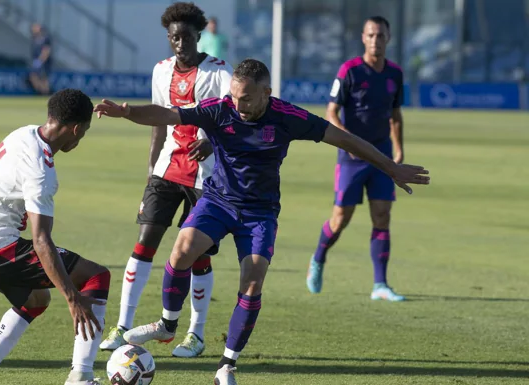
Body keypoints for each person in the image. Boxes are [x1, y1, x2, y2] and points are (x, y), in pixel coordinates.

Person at [93, 58, 430, 384]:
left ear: (267, 92)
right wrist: (127, 112)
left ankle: (227, 365)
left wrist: (391, 167)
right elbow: (168, 113)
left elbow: (342, 138)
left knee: (252, 282)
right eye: (235, 96)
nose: (238, 104)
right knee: (181, 251)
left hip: (259, 212)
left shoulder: (287, 116)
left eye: (247, 98)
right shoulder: (220, 107)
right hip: (218, 201)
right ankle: (168, 325)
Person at [98, 2, 232, 358]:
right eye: (174, 38)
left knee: (197, 255)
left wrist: (210, 139)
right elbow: (158, 120)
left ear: (198, 36)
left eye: (186, 37)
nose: (179, 44)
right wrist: (149, 171)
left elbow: (235, 118)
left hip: (206, 177)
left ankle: (196, 334)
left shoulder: (219, 72)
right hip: (166, 170)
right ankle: (123, 325)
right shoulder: (160, 71)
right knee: (144, 243)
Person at [0, 89, 110, 385]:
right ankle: (81, 375)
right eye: (85, 132)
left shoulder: (24, 133)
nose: (81, 139)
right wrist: (72, 298)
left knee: (37, 298)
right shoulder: (42, 171)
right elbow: (41, 241)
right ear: (76, 129)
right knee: (96, 277)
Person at [307, 16, 408, 301]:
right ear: (363, 37)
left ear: (388, 38)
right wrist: (347, 140)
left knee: (382, 215)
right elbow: (331, 112)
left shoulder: (395, 74)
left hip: (382, 154)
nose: (376, 40)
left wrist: (398, 149)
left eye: (381, 35)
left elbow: (396, 115)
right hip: (352, 157)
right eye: (371, 35)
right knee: (341, 219)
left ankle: (380, 285)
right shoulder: (349, 70)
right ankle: (318, 259)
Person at [29, 23, 53, 95]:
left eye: (35, 27)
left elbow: (46, 50)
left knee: (44, 78)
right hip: (36, 61)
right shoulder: (34, 39)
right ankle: (40, 92)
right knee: (33, 76)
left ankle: (46, 93)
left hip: (44, 62)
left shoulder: (45, 38)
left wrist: (41, 60)